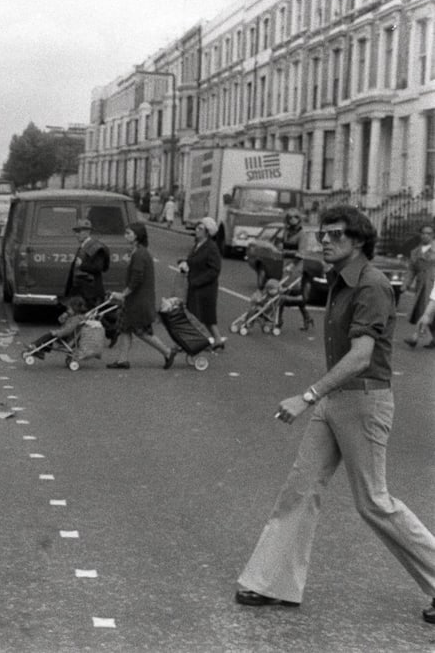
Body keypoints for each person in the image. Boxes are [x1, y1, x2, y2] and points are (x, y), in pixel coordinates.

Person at [235, 205, 435, 625]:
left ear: (359, 240)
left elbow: (361, 356)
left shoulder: (372, 285)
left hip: (363, 401)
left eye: (336, 235)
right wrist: (321, 398)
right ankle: (273, 582)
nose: (325, 241)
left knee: (374, 503)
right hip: (336, 399)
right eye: (322, 234)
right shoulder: (340, 279)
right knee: (301, 487)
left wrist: (308, 396)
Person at [107, 222, 176, 370]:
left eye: (129, 233)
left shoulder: (139, 254)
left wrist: (123, 294)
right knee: (125, 328)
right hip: (136, 299)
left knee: (141, 331)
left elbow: (137, 278)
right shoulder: (138, 251)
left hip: (139, 300)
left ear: (137, 236)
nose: (126, 236)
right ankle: (122, 360)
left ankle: (167, 352)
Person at [178, 217, 225, 346]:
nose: (197, 230)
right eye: (197, 227)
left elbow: (215, 270)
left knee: (198, 316)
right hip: (195, 285)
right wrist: (183, 262)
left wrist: (198, 281)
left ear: (207, 232)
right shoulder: (198, 245)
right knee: (205, 316)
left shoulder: (211, 248)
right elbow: (194, 260)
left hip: (205, 288)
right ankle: (218, 340)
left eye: (200, 228)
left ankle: (198, 342)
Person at [272, 208, 315, 331]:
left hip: (295, 267)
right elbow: (279, 243)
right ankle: (303, 318)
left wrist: (292, 263)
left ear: (299, 219)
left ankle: (281, 320)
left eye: (295, 217)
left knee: (290, 293)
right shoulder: (286, 231)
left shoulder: (302, 234)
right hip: (286, 264)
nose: (292, 220)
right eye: (290, 217)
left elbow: (301, 253)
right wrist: (280, 245)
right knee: (284, 292)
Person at [64, 219, 109, 309]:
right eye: (76, 232)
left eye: (79, 232)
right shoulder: (83, 246)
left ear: (87, 232)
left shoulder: (96, 247)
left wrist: (82, 265)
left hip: (90, 292)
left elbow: (98, 268)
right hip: (81, 290)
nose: (76, 235)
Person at [404, 222, 435, 348]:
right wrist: (406, 284)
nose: (425, 236)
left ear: (433, 235)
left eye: (428, 233)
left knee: (426, 311)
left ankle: (415, 337)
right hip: (421, 286)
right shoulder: (415, 252)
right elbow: (411, 269)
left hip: (433, 286)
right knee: (426, 312)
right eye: (423, 233)